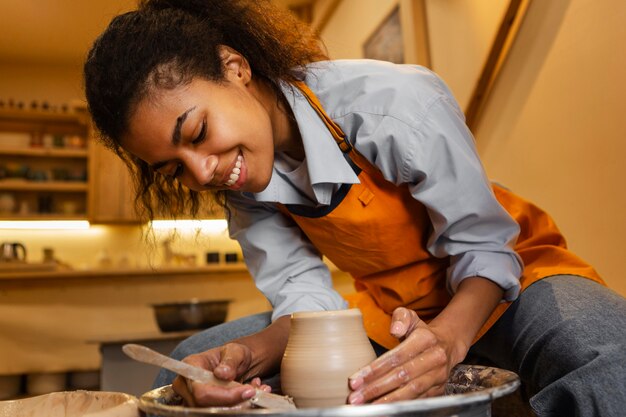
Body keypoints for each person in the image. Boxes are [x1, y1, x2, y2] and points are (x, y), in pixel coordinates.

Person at [83, 0, 626, 415]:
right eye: (174, 167)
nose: (202, 172)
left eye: (198, 132)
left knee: (606, 347)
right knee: (197, 353)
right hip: (388, 308)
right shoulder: (242, 184)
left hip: (508, 279)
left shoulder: (393, 106)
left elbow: (484, 248)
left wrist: (447, 340)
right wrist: (247, 354)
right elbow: (305, 302)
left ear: (235, 68)